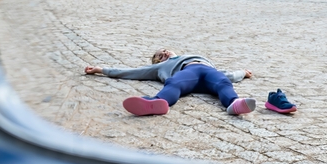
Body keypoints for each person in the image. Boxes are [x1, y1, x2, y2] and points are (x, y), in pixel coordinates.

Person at [84, 49, 255, 116]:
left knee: (223, 83)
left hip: (209, 73)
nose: (163, 53)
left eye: (164, 50)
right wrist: (101, 70)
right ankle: (157, 102)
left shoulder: (192, 56)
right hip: (188, 74)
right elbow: (131, 71)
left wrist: (243, 73)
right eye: (159, 55)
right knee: (174, 84)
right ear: (157, 62)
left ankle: (234, 104)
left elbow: (229, 75)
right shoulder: (162, 68)